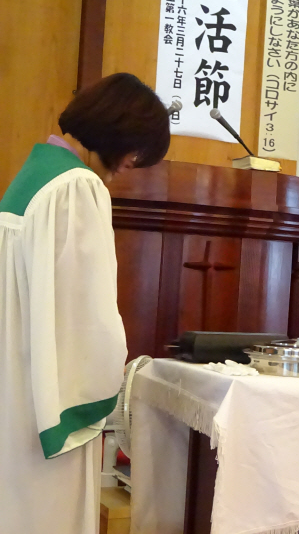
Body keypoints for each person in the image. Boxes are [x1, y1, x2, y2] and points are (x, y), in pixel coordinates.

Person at [0, 73, 171, 534]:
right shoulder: (77, 186)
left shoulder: (32, 175)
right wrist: (111, 372)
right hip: (48, 400)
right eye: (137, 151)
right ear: (118, 132)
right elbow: (87, 312)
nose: (132, 164)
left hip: (14, 385)